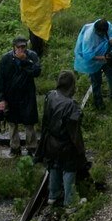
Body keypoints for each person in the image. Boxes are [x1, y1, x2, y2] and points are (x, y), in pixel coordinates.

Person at [36, 69, 87, 211]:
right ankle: (70, 202)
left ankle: (53, 195)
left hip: (51, 141)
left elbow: (45, 120)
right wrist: (80, 149)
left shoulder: (50, 95)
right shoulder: (71, 105)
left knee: (54, 166)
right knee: (69, 169)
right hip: (66, 144)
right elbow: (74, 131)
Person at [0, 36, 42, 156]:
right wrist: (1, 98)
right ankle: (15, 147)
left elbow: (36, 72)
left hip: (27, 95)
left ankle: (32, 147)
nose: (21, 49)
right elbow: (0, 79)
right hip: (11, 96)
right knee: (12, 122)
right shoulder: (6, 59)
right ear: (14, 47)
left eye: (23, 47)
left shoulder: (32, 56)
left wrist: (24, 61)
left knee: (29, 122)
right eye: (19, 47)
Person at [74, 18, 112, 110]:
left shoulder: (107, 26)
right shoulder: (89, 37)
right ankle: (98, 103)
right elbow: (87, 55)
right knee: (96, 82)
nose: (102, 35)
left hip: (107, 57)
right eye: (100, 34)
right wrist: (104, 58)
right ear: (96, 30)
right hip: (94, 62)